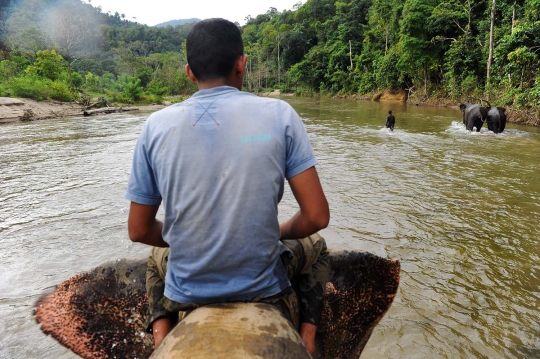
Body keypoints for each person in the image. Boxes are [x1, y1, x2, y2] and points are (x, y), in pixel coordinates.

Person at [125, 18, 330, 355]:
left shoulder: (155, 126)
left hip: (186, 289)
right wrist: (275, 231)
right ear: (242, 64)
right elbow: (317, 216)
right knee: (317, 246)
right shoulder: (280, 115)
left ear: (189, 72)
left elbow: (137, 229)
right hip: (262, 288)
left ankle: (161, 339)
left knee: (154, 259)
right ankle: (307, 338)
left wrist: (186, 235)